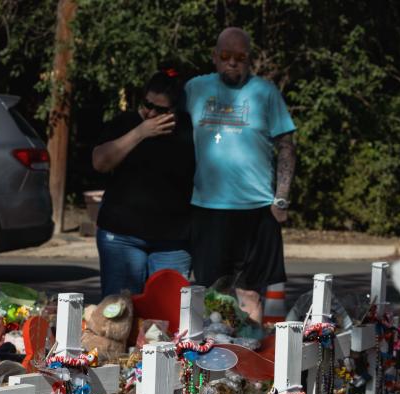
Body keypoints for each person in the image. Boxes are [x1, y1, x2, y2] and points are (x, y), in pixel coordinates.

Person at [185, 27, 296, 322]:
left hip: (257, 210)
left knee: (250, 294)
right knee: (210, 293)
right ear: (215, 57)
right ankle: (212, 362)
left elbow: (286, 146)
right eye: (225, 56)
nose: (232, 62)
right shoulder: (195, 88)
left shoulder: (265, 93)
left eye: (240, 57)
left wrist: (281, 198)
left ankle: (250, 360)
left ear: (249, 59)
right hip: (209, 208)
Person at [92, 69, 195, 297]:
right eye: (147, 105)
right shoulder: (126, 123)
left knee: (167, 313)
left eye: (160, 110)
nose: (151, 113)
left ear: (176, 110)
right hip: (121, 236)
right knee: (117, 311)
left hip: (173, 241)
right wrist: (140, 133)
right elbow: (100, 162)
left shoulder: (189, 130)